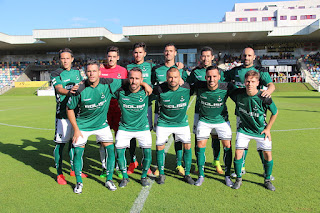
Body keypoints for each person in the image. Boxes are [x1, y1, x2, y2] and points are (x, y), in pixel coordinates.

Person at [67, 60, 152, 193]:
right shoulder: (80, 89)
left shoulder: (108, 83)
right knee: (78, 152)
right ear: (86, 73)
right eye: (89, 71)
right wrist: (76, 130)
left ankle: (109, 179)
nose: (91, 74)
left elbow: (130, 81)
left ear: (100, 72)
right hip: (83, 125)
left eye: (94, 71)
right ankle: (78, 182)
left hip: (101, 124)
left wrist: (144, 83)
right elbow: (69, 108)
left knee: (111, 150)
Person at [223, 47, 275, 179]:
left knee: (261, 144)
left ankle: (266, 170)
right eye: (244, 55)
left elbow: (271, 85)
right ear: (241, 56)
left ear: (254, 57)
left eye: (249, 55)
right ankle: (242, 167)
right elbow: (221, 77)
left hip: (257, 108)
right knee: (242, 141)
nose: (246, 58)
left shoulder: (260, 71)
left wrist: (268, 92)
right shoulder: (236, 71)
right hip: (241, 110)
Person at [230, 70, 278, 191]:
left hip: (260, 130)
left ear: (257, 83)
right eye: (247, 81)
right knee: (238, 153)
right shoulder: (238, 93)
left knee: (267, 154)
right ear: (244, 82)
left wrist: (268, 129)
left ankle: (267, 180)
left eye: (252, 81)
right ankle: (239, 179)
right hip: (244, 130)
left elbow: (275, 112)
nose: (249, 84)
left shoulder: (264, 97)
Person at [193, 65, 235, 187]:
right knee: (200, 145)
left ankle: (227, 175)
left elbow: (241, 95)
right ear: (205, 77)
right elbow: (183, 87)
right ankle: (201, 175)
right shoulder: (199, 86)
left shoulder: (227, 87)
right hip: (204, 120)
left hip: (222, 121)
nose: (212, 79)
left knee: (227, 145)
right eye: (209, 77)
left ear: (219, 77)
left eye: (214, 76)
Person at [50, 48, 87, 185]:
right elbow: (59, 88)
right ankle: (59, 174)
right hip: (63, 115)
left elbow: (83, 86)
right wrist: (69, 92)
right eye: (62, 58)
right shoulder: (56, 73)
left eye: (67, 58)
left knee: (75, 142)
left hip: (77, 113)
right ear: (60, 60)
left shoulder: (77, 72)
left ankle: (73, 169)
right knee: (60, 144)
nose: (65, 61)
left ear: (72, 59)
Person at [153, 67, 194, 185]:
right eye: (170, 77)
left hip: (181, 123)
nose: (173, 79)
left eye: (175, 77)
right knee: (160, 146)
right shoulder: (160, 89)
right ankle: (161, 174)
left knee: (187, 145)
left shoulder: (187, 88)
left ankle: (187, 174)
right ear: (166, 78)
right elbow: (148, 90)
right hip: (164, 123)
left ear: (180, 77)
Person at [152, 43, 187, 176]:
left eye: (171, 51)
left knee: (178, 138)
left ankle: (179, 164)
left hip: (178, 111)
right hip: (161, 110)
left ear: (175, 53)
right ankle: (160, 165)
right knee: (160, 140)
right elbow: (153, 86)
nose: (168, 53)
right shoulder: (156, 69)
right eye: (166, 51)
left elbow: (186, 85)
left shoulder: (180, 69)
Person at [187, 46, 223, 174]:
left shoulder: (219, 72)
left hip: (216, 111)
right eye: (203, 56)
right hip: (200, 111)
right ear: (200, 57)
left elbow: (224, 88)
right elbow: (187, 87)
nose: (206, 58)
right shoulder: (196, 72)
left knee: (216, 137)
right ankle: (198, 163)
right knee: (199, 138)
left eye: (208, 56)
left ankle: (216, 161)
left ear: (212, 57)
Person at [114, 67, 152, 187]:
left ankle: (144, 176)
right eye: (131, 78)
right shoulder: (120, 92)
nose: (134, 81)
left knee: (148, 153)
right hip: (125, 128)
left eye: (137, 79)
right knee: (119, 151)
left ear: (141, 80)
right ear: (127, 79)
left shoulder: (147, 92)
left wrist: (146, 84)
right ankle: (125, 177)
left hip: (142, 128)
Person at [98, 46, 128, 179]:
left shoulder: (123, 71)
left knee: (119, 140)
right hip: (102, 109)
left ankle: (118, 167)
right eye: (109, 56)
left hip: (118, 109)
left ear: (118, 57)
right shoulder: (100, 70)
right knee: (102, 141)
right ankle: (105, 167)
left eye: (114, 56)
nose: (111, 59)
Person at [126, 42, 154, 175]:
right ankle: (132, 161)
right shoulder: (129, 67)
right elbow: (127, 82)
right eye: (136, 52)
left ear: (145, 53)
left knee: (145, 136)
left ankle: (145, 163)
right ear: (133, 54)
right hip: (131, 106)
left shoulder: (150, 66)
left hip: (146, 105)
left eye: (140, 52)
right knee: (131, 135)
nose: (138, 55)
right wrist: (143, 83)